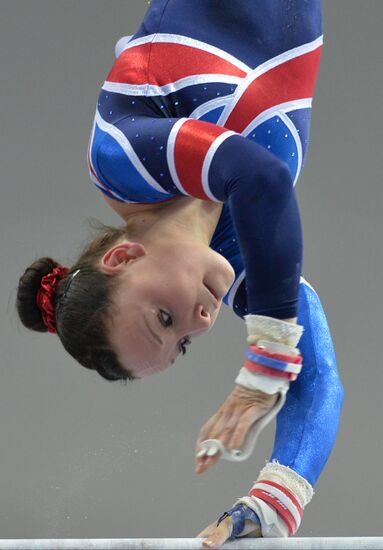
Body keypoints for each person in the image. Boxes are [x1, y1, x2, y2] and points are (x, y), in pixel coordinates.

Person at [16, 0, 344, 546]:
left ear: (122, 258)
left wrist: (267, 356)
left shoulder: (123, 160)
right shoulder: (243, 247)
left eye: (164, 318)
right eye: (183, 342)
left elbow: (257, 173)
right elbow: (318, 375)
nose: (201, 322)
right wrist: (273, 502)